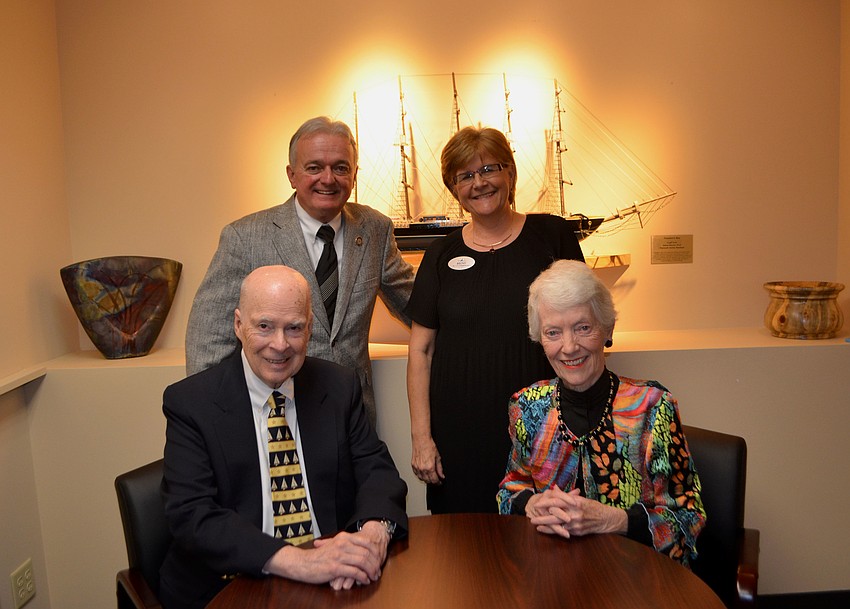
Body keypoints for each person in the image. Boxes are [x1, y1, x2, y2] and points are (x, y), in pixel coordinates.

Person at [161, 266, 408, 608]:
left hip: (331, 582)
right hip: (231, 585)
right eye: (264, 326)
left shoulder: (338, 387)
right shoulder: (191, 403)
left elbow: (376, 472)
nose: (280, 345)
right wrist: (300, 562)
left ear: (309, 329)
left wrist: (373, 534)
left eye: (294, 328)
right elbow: (193, 516)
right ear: (238, 325)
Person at [185, 116, 415, 425]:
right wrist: (212, 421)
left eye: (341, 167)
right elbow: (208, 341)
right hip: (271, 414)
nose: (328, 178)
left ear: (354, 175)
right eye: (314, 167)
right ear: (292, 175)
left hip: (351, 416)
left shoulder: (374, 229)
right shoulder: (245, 237)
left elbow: (416, 305)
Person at [406, 126, 585, 514]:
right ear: (454, 188)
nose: (479, 182)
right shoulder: (439, 255)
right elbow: (420, 351)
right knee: (463, 552)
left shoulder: (553, 236)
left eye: (489, 168)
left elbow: (585, 330)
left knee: (547, 545)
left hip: (543, 429)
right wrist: (422, 439)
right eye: (466, 175)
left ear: (510, 174)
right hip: (459, 436)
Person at [497, 259, 705, 565]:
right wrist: (532, 504)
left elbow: (689, 518)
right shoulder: (528, 407)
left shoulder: (652, 408)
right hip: (554, 575)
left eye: (583, 328)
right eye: (553, 332)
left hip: (637, 579)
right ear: (540, 339)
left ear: (607, 329)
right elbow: (509, 491)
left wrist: (613, 520)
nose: (569, 347)